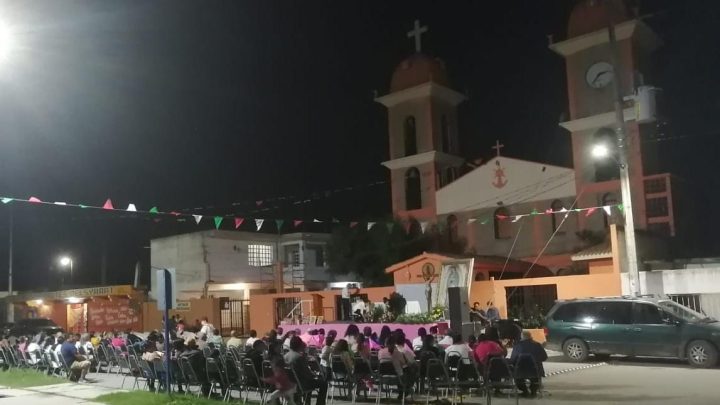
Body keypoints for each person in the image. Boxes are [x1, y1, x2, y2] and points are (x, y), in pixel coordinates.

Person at [285, 336, 328, 405]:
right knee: (323, 383)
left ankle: (307, 402)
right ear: (299, 345)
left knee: (310, 382)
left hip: (290, 383)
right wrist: (314, 375)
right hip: (301, 384)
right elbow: (307, 374)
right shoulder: (299, 357)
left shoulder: (285, 356)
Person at [510, 330, 547, 397]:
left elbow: (513, 360)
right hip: (535, 370)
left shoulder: (518, 346)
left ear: (522, 337)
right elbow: (544, 357)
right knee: (535, 378)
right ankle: (533, 392)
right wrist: (536, 361)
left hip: (520, 370)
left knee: (518, 378)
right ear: (530, 336)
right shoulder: (537, 345)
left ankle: (524, 391)